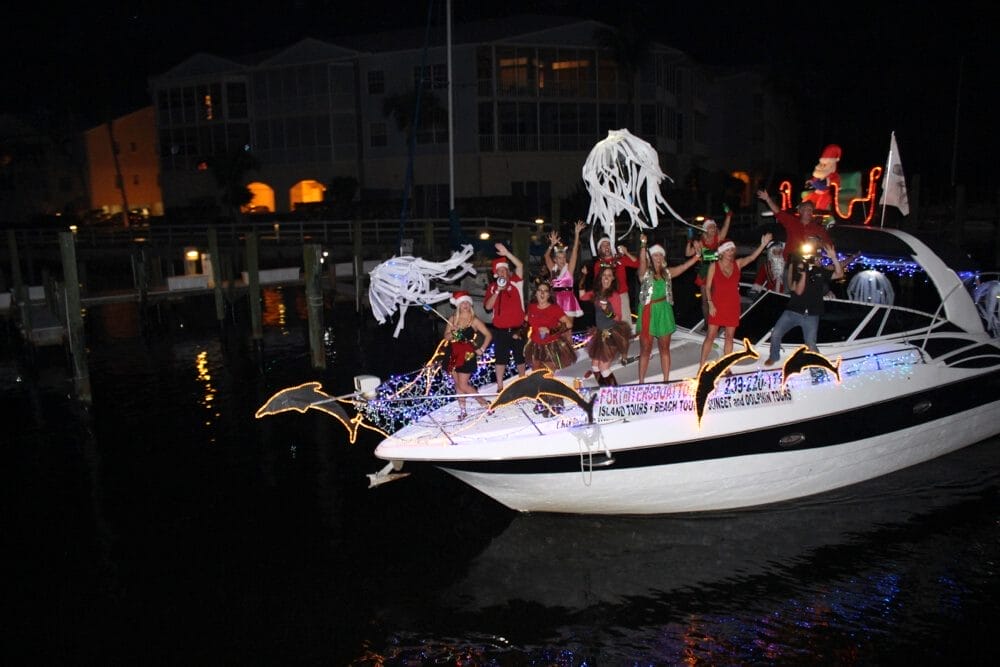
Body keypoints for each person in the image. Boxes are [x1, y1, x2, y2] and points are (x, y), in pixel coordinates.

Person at [763, 239, 844, 367]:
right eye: (811, 257)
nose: (814, 259)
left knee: (811, 344)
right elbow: (798, 291)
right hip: (792, 311)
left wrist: (834, 258)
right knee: (776, 334)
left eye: (816, 257)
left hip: (811, 315)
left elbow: (839, 274)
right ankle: (774, 356)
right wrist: (804, 272)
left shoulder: (821, 272)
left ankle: (818, 370)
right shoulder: (797, 270)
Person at [699, 233, 773, 368]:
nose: (731, 252)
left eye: (732, 249)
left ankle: (726, 367)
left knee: (729, 337)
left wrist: (762, 245)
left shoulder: (737, 264)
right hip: (716, 305)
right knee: (710, 336)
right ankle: (702, 365)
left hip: (732, 305)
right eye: (727, 249)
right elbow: (708, 288)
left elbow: (751, 257)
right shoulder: (714, 266)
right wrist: (710, 304)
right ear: (721, 252)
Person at [636, 234, 700, 383]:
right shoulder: (644, 274)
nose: (657, 257)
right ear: (650, 257)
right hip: (648, 312)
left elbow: (684, 266)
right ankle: (641, 382)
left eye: (660, 255)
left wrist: (697, 256)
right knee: (645, 350)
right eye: (654, 255)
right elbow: (642, 261)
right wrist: (643, 245)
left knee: (664, 348)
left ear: (663, 257)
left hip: (664, 311)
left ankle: (666, 380)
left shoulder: (668, 273)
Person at [441, 291, 492, 419]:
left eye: (467, 302)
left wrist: (482, 349)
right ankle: (463, 411)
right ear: (458, 305)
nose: (465, 305)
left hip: (467, 354)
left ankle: (484, 403)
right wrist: (453, 333)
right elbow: (446, 337)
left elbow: (488, 335)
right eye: (462, 303)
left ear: (470, 304)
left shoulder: (474, 320)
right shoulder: (453, 319)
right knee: (457, 384)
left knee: (464, 384)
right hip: (453, 353)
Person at [578, 266, 632, 386]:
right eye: (604, 275)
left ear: (612, 279)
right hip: (600, 333)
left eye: (609, 275)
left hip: (612, 333)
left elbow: (618, 317)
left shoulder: (614, 295)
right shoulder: (596, 293)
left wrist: (606, 310)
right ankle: (604, 390)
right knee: (595, 366)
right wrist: (583, 276)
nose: (606, 278)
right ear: (600, 278)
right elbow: (582, 296)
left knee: (603, 367)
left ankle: (615, 395)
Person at [482, 243, 526, 391]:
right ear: (496, 274)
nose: (502, 273)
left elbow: (520, 265)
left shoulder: (516, 282)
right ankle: (500, 385)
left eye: (504, 270)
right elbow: (488, 307)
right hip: (500, 331)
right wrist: (497, 292)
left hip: (517, 329)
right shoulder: (493, 288)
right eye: (499, 271)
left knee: (520, 357)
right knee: (500, 359)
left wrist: (507, 253)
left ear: (508, 271)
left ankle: (522, 381)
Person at [756, 189, 834, 262]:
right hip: (792, 260)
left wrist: (819, 243)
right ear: (800, 211)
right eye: (807, 209)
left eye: (811, 210)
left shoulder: (818, 228)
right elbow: (778, 212)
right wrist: (768, 199)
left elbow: (829, 245)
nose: (810, 212)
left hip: (812, 261)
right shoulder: (793, 222)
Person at [685, 206, 733, 319]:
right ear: (705, 229)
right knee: (706, 300)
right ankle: (708, 322)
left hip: (717, 271)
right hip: (704, 273)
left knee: (718, 299)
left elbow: (726, 226)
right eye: (710, 228)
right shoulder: (701, 243)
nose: (713, 229)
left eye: (714, 227)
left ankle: (719, 321)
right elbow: (687, 254)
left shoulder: (719, 239)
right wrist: (689, 241)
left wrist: (729, 215)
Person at [591, 235, 640, 330]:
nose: (606, 247)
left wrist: (626, 252)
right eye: (603, 245)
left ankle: (626, 342)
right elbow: (597, 283)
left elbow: (637, 264)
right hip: (607, 298)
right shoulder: (598, 265)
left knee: (625, 324)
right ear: (599, 249)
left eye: (608, 244)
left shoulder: (620, 259)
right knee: (609, 325)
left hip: (621, 295)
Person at [544, 220, 585, 324]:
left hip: (568, 301)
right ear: (555, 259)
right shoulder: (552, 269)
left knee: (567, 331)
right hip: (555, 300)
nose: (561, 260)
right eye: (559, 257)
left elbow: (575, 251)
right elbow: (546, 256)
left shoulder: (569, 268)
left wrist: (576, 234)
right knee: (554, 330)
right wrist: (551, 245)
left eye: (563, 257)